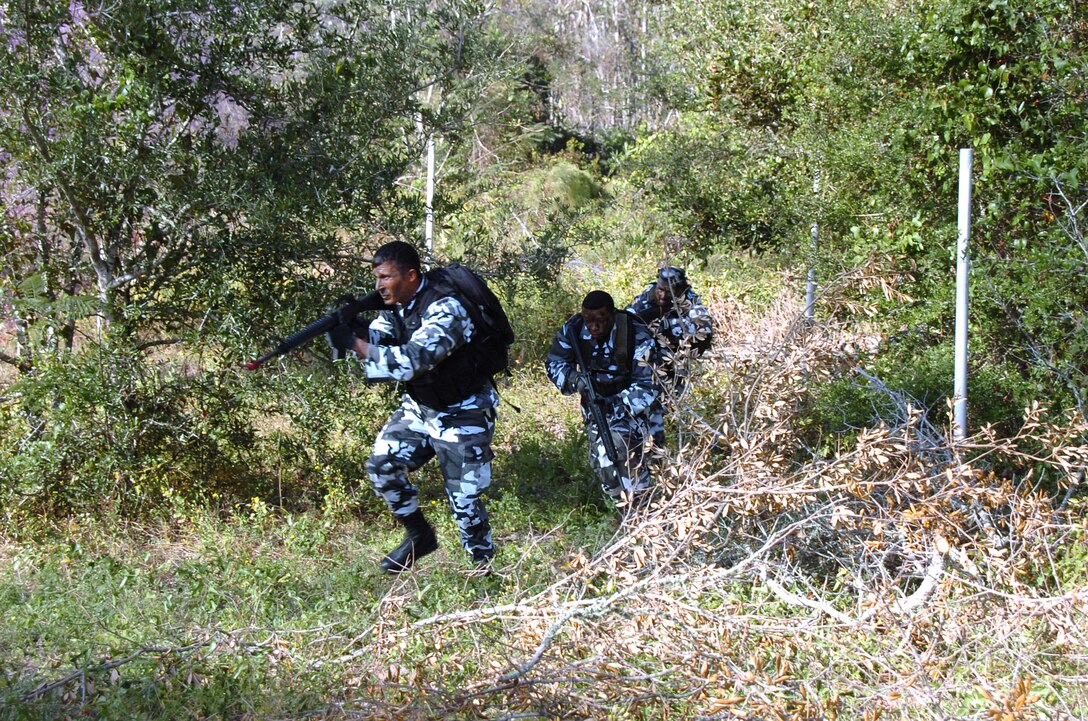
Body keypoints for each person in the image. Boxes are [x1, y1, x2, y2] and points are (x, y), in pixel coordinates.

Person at [329, 241, 498, 573]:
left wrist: (356, 344)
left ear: (410, 275)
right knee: (382, 465)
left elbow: (413, 361)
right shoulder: (395, 307)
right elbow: (381, 342)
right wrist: (355, 330)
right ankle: (420, 536)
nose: (379, 286)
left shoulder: (446, 309)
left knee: (464, 501)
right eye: (376, 278)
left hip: (463, 411)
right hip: (421, 408)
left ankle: (484, 569)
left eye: (386, 277)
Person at [546, 290, 665, 511]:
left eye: (600, 319)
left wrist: (614, 405)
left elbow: (648, 385)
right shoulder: (573, 329)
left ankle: (647, 513)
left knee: (630, 458)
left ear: (612, 314)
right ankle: (626, 511)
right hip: (594, 407)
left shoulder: (635, 334)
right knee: (605, 465)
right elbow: (555, 363)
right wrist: (574, 379)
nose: (594, 326)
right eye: (588, 319)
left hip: (634, 407)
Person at [625, 265, 713, 392]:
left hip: (674, 360)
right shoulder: (650, 293)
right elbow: (628, 315)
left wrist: (667, 325)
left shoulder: (690, 300)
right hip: (643, 358)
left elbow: (704, 331)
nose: (662, 295)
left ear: (680, 290)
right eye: (660, 289)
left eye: (669, 292)